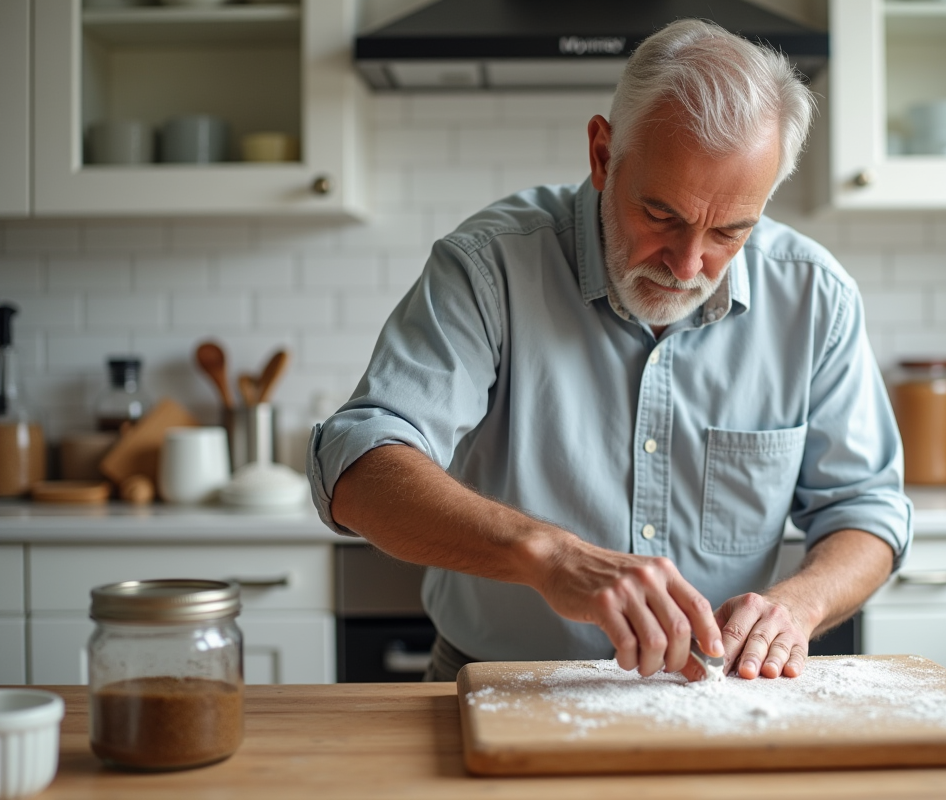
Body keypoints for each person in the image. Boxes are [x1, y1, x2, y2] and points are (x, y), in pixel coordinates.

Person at [307, 19, 912, 684]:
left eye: (730, 231)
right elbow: (357, 466)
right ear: (602, 154)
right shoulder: (489, 269)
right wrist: (549, 557)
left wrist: (799, 606)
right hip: (500, 682)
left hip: (718, 696)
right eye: (661, 216)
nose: (688, 265)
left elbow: (866, 510)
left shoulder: (814, 296)